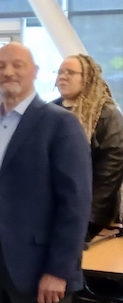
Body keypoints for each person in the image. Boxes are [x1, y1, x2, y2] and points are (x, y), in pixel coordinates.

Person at [0, 43, 92, 303]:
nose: (8, 72)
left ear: (35, 72)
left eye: (18, 65)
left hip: (39, 266)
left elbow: (76, 204)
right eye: (1, 65)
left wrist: (58, 271)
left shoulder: (60, 124)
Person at [53, 54, 123, 239]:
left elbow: (110, 171)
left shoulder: (107, 114)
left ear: (88, 78)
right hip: (53, 209)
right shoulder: (48, 112)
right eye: (60, 72)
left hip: (91, 212)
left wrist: (90, 220)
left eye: (70, 72)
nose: (63, 76)